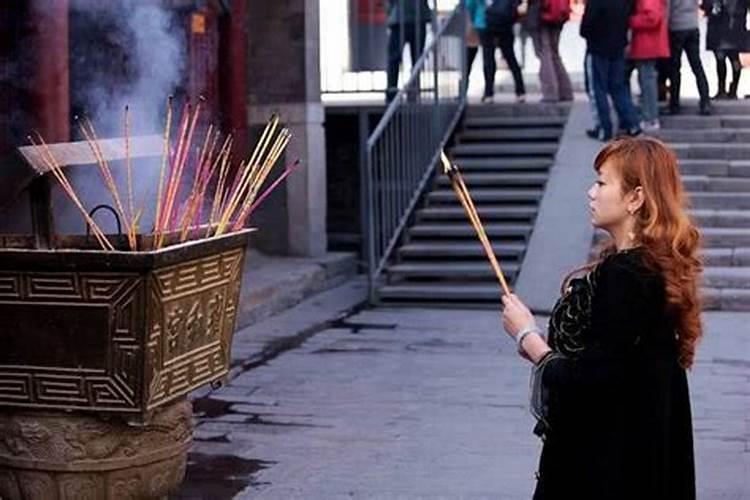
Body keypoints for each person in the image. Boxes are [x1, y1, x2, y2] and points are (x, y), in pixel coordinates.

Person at [502, 136, 701, 499]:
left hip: (609, 467)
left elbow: (593, 380)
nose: (591, 193)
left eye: (601, 182)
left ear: (635, 197)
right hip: (641, 459)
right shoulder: (650, 266)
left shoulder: (628, 274)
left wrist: (527, 337)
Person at [580, 0, 642, 140]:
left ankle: (604, 127)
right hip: (618, 47)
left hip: (597, 48)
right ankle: (632, 124)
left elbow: (586, 26)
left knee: (597, 89)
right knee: (618, 88)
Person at [466, 0, 527, 103]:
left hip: (484, 21)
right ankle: (520, 91)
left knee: (488, 57)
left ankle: (489, 93)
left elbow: (470, 4)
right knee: (510, 57)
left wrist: (474, 18)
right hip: (505, 21)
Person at [628, 0, 670, 130]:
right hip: (649, 43)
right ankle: (649, 116)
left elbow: (652, 19)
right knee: (647, 81)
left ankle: (650, 117)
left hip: (647, 43)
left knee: (647, 82)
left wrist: (631, 21)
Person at [523, 0, 573, 102]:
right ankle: (565, 91)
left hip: (541, 16)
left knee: (544, 54)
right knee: (554, 53)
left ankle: (550, 92)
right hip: (557, 15)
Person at [668, 0, 712, 114]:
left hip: (676, 27)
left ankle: (674, 104)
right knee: (696, 65)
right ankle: (705, 100)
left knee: (675, 68)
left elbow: (667, 9)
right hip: (692, 26)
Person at [385, 0, 432, 103]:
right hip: (417, 16)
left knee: (395, 59)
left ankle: (392, 90)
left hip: (401, 16)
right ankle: (412, 90)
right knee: (416, 58)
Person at [701, 0, 748, 99]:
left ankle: (722, 90)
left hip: (719, 26)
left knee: (721, 59)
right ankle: (733, 89)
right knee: (734, 58)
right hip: (736, 24)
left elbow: (708, 6)